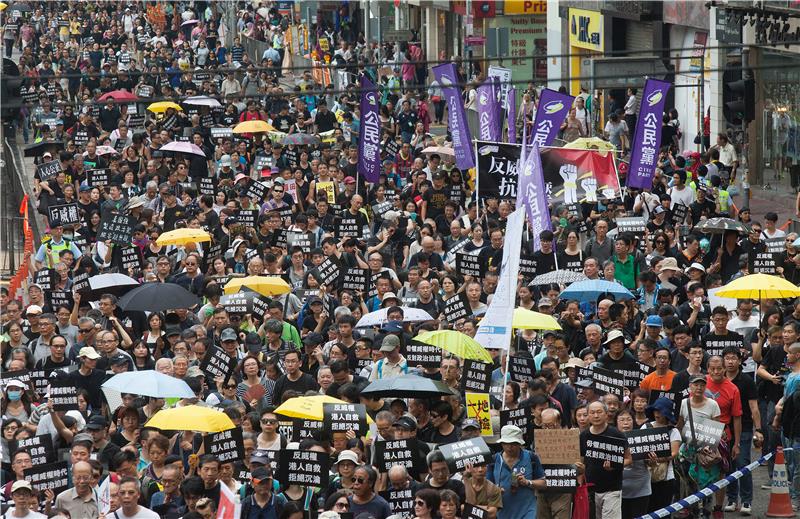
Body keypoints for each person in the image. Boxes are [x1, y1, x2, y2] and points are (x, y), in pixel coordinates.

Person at [487, 425, 546, 519]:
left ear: (520, 444)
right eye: (506, 443)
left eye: (514, 443)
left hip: (528, 511)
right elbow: (487, 487)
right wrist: (495, 491)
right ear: (502, 443)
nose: (510, 447)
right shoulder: (494, 460)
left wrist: (527, 482)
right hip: (503, 512)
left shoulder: (531, 457)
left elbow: (543, 483)